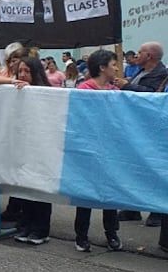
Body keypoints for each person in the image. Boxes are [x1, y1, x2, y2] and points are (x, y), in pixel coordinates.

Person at [72, 50, 123, 252]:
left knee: (110, 193)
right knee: (85, 194)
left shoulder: (116, 92)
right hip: (87, 150)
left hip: (110, 151)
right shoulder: (83, 89)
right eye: (113, 64)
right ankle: (81, 236)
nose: (117, 68)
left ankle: (112, 233)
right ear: (102, 67)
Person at [113, 41, 167, 225]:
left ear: (149, 56)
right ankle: (132, 208)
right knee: (134, 167)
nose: (136, 55)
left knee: (153, 168)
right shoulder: (141, 71)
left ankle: (158, 211)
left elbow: (152, 96)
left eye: (140, 52)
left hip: (150, 129)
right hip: (134, 127)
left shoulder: (162, 74)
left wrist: (127, 86)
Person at [11, 57, 55, 245]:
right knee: (24, 188)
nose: (22, 75)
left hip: (42, 147)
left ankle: (41, 229)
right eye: (20, 71)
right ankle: (25, 224)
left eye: (27, 71)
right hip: (23, 147)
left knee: (40, 189)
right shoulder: (15, 91)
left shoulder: (48, 93)